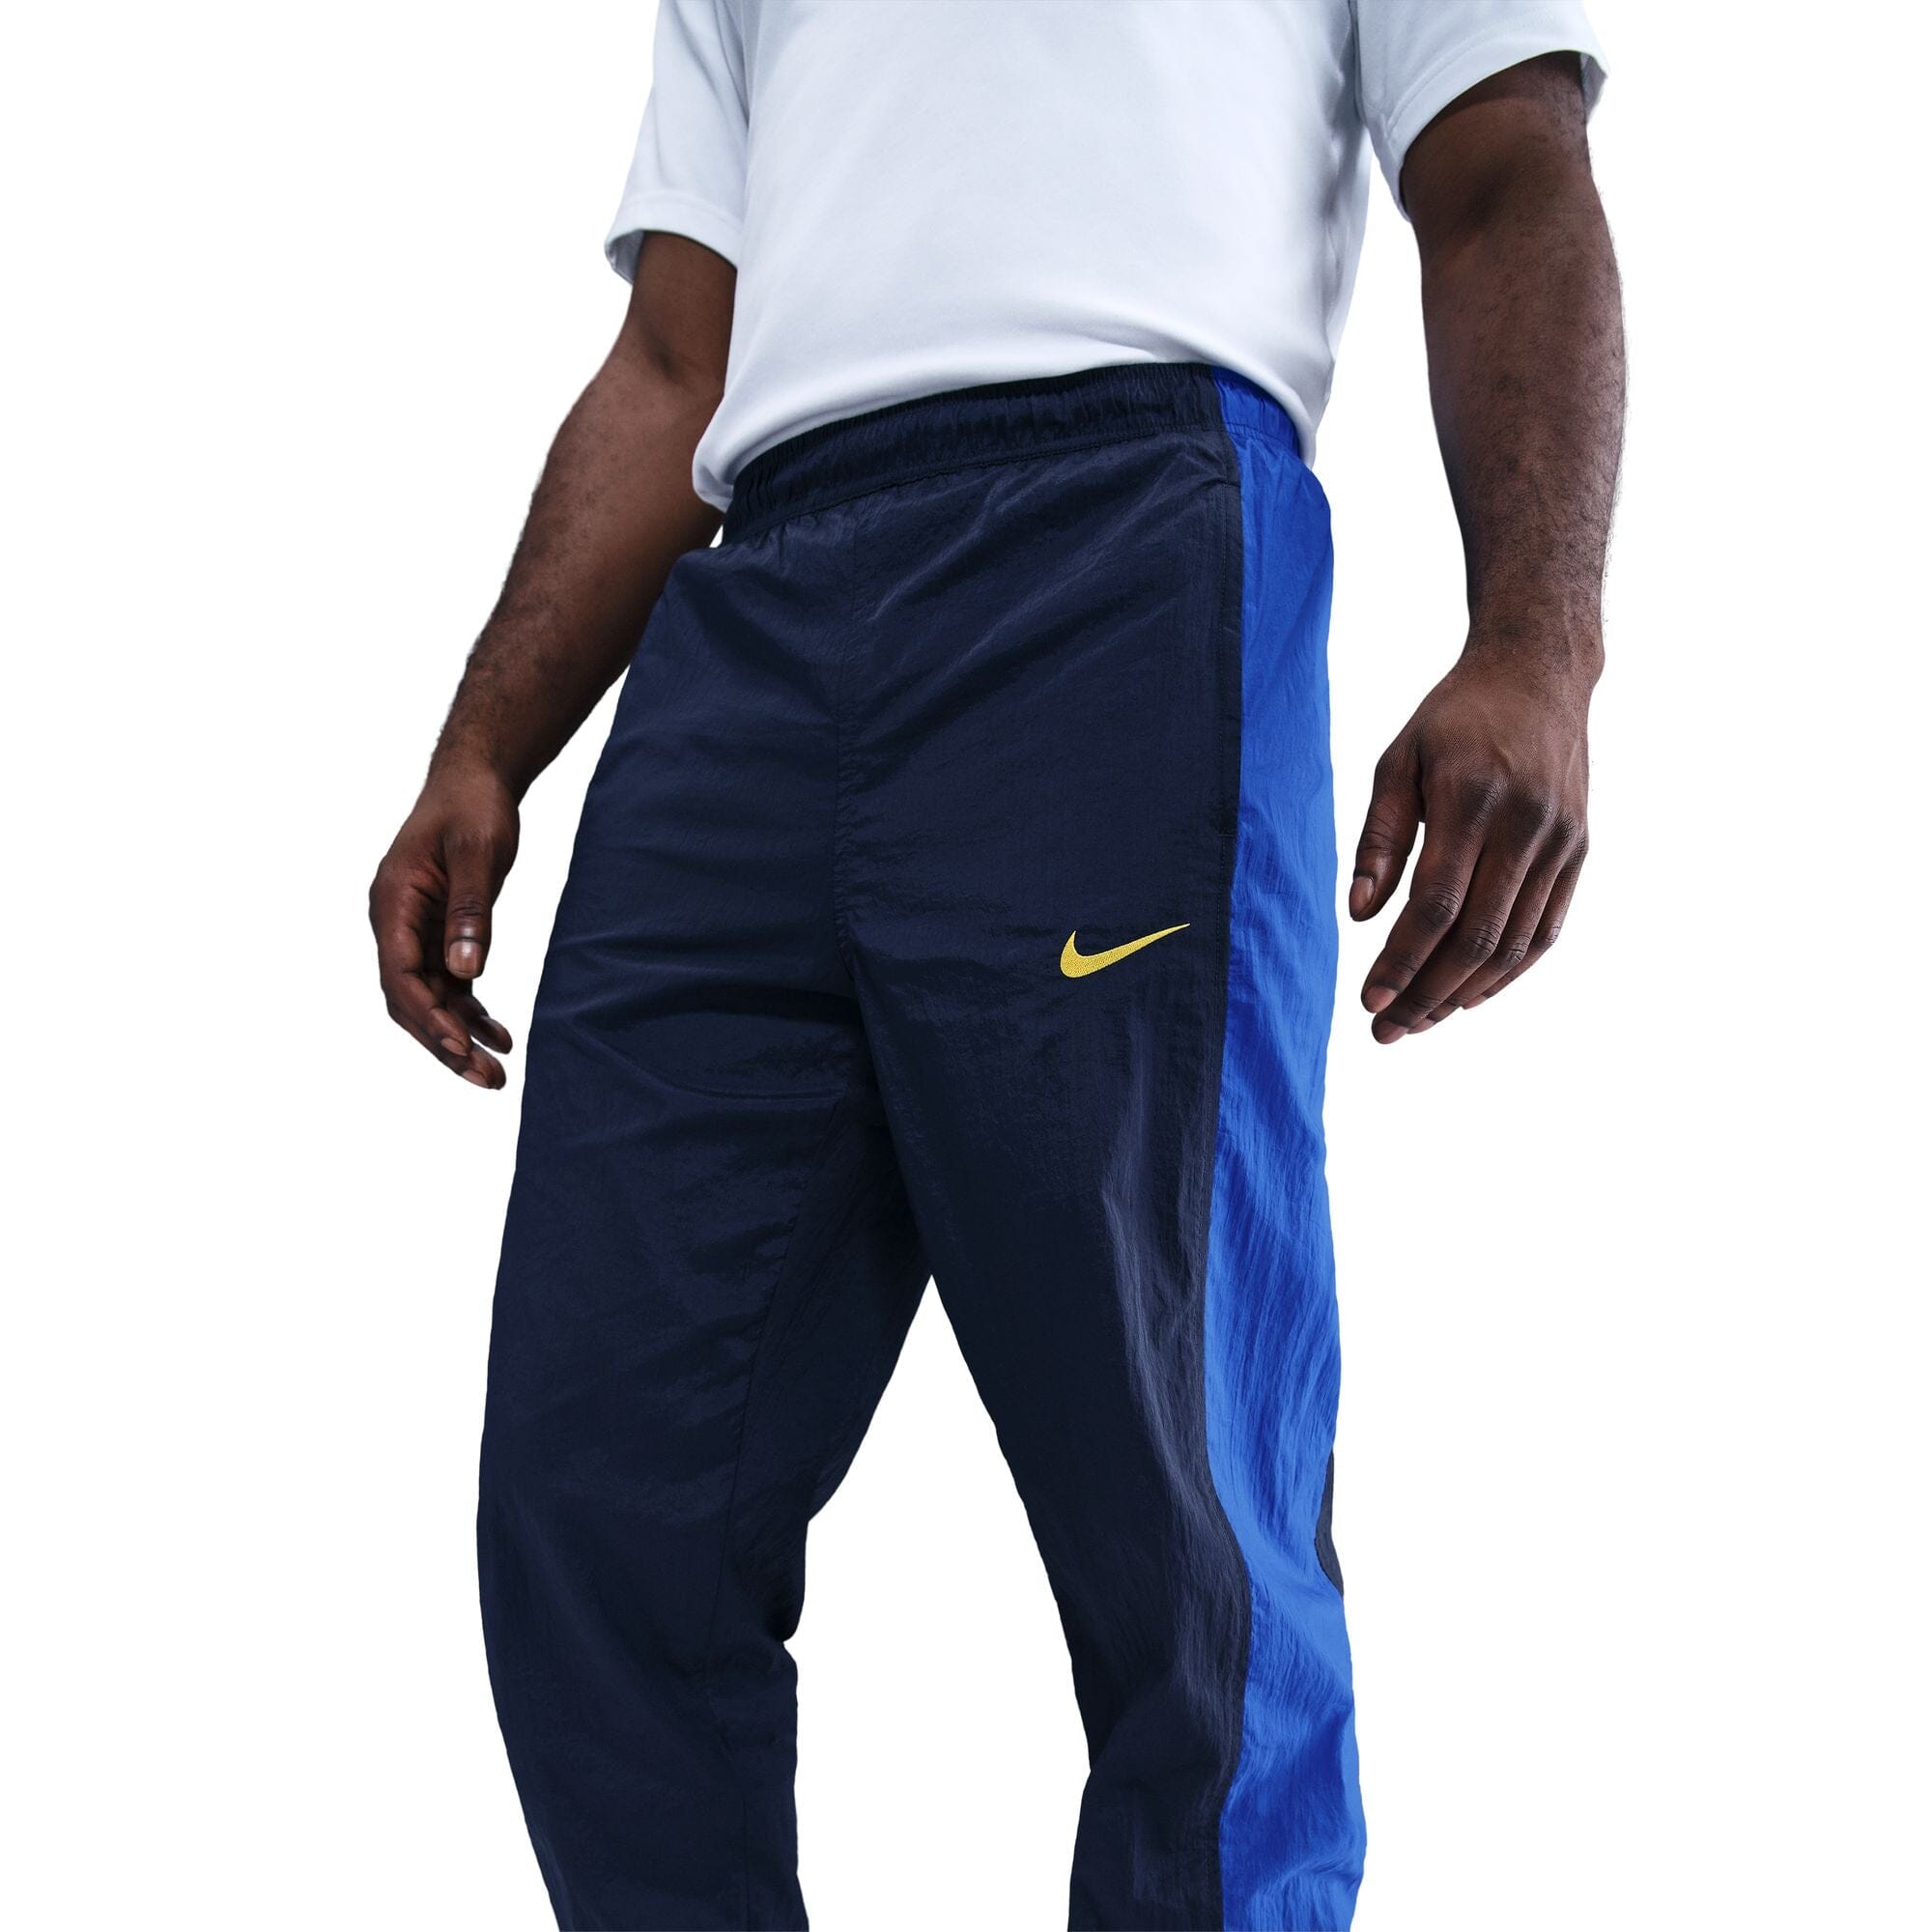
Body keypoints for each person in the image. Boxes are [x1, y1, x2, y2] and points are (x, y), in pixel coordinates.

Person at [369, 3, 1620, 1925]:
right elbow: (677, 357)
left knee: (1181, 1502)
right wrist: (482, 742)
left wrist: (1537, 643)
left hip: (1121, 541)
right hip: (754, 614)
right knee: (599, 1490)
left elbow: (1505, 173)